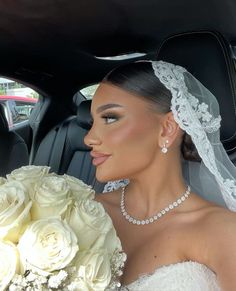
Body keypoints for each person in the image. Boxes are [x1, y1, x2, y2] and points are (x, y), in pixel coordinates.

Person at [84, 60, 236, 290]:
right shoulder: (83, 211)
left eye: (110, 118)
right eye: (92, 121)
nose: (89, 138)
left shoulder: (223, 231)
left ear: (167, 129)